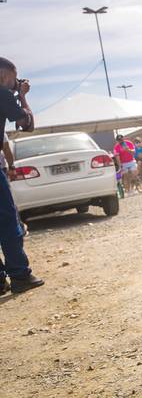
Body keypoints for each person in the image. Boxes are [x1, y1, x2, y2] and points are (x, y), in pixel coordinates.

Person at [0, 57, 43, 294]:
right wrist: (23, 95)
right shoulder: (3, 94)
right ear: (3, 76)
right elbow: (26, 124)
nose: (15, 83)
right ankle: (20, 275)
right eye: (14, 78)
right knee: (8, 222)